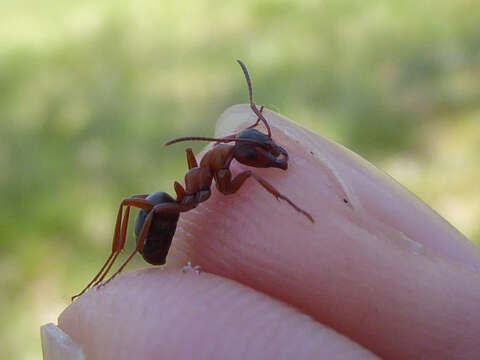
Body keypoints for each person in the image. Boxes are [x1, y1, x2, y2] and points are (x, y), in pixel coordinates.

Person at [56, 105, 480, 359]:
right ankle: (115, 262)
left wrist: (273, 158)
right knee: (139, 202)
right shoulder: (202, 182)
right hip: (163, 223)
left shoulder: (226, 167)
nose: (262, 159)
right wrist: (287, 200)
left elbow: (248, 167)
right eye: (254, 154)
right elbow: (238, 179)